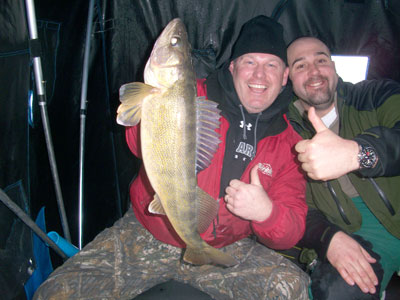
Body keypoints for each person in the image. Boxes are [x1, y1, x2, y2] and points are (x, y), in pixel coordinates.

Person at [34, 16, 309, 300]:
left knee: (293, 285)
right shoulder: (193, 95)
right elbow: (134, 142)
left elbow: (291, 230)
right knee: (55, 292)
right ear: (233, 66)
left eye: (271, 65)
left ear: (285, 75)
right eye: (250, 62)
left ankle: (198, 250)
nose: (259, 75)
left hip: (227, 245)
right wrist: (148, 105)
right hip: (145, 233)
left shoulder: (290, 144)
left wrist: (266, 212)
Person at [286, 36, 400, 300]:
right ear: (288, 78)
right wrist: (328, 238)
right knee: (336, 291)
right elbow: (290, 205)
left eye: (321, 60)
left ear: (334, 67)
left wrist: (359, 154)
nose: (314, 71)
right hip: (355, 233)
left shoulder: (375, 95)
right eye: (300, 66)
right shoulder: (283, 129)